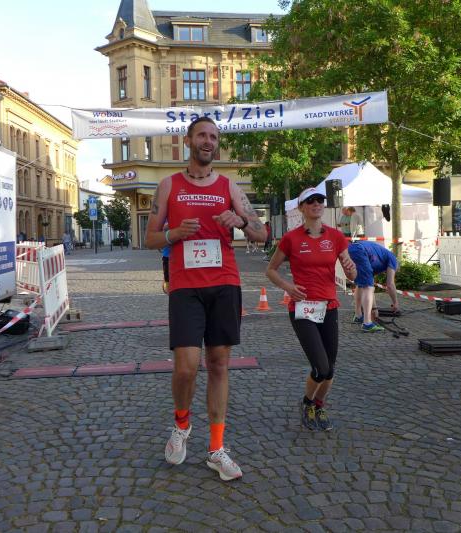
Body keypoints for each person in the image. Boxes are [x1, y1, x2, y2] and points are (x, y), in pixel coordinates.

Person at [144, 116, 266, 481]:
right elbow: (149, 238)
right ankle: (182, 424)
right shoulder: (169, 185)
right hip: (185, 286)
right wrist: (174, 233)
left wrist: (241, 222)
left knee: (218, 364)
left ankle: (216, 449)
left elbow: (262, 233)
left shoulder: (229, 186)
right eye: (201, 135)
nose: (208, 141)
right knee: (185, 367)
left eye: (213, 136)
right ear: (189, 141)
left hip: (224, 283)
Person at [266, 187, 356, 431]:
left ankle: (319, 404)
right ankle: (307, 403)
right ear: (301, 208)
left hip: (329, 306)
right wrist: (288, 287)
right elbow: (271, 270)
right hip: (303, 308)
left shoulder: (336, 237)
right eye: (311, 201)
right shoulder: (291, 238)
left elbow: (352, 274)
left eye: (320, 200)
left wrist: (351, 270)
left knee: (330, 369)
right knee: (321, 367)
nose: (316, 204)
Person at [347, 240, 399, 332]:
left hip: (352, 248)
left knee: (361, 285)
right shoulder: (393, 260)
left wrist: (374, 308)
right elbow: (390, 284)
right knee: (368, 287)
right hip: (361, 250)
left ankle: (358, 315)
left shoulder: (379, 259)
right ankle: (367, 324)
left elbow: (369, 283)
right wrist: (395, 303)